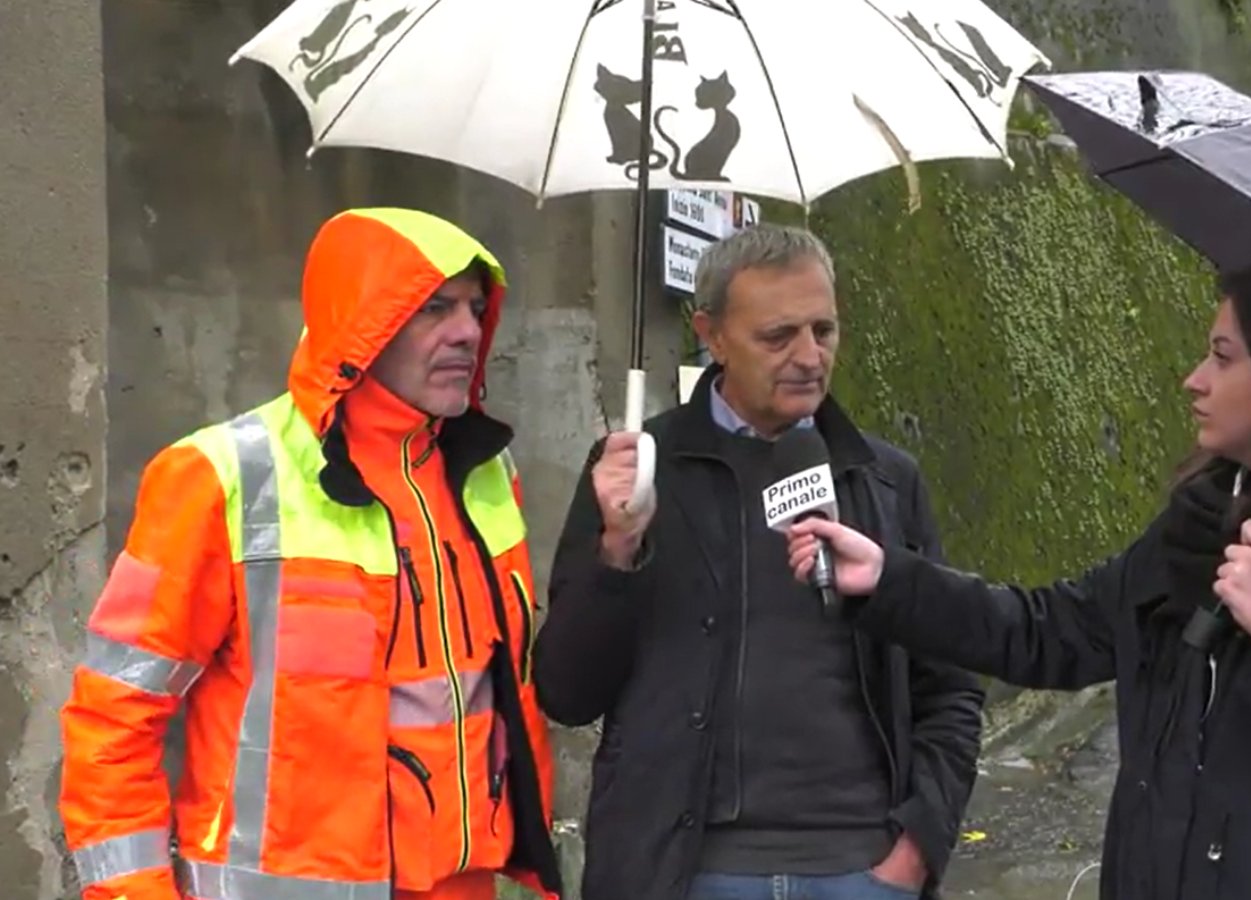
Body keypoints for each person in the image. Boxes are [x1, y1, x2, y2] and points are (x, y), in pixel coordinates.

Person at [785, 257, 1251, 900]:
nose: (1193, 379)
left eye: (1222, 358)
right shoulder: (1197, 529)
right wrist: (889, 579)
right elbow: (1052, 632)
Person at [57, 208, 562, 900]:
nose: (469, 332)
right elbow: (115, 716)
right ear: (364, 319)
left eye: (476, 308)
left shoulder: (484, 477)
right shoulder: (219, 475)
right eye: (435, 307)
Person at [532, 223, 985, 900]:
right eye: (778, 337)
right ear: (710, 333)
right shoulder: (637, 476)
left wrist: (917, 845)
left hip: (861, 870)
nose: (809, 357)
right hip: (683, 871)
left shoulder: (885, 480)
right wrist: (616, 552)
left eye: (823, 331)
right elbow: (567, 693)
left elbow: (949, 686)